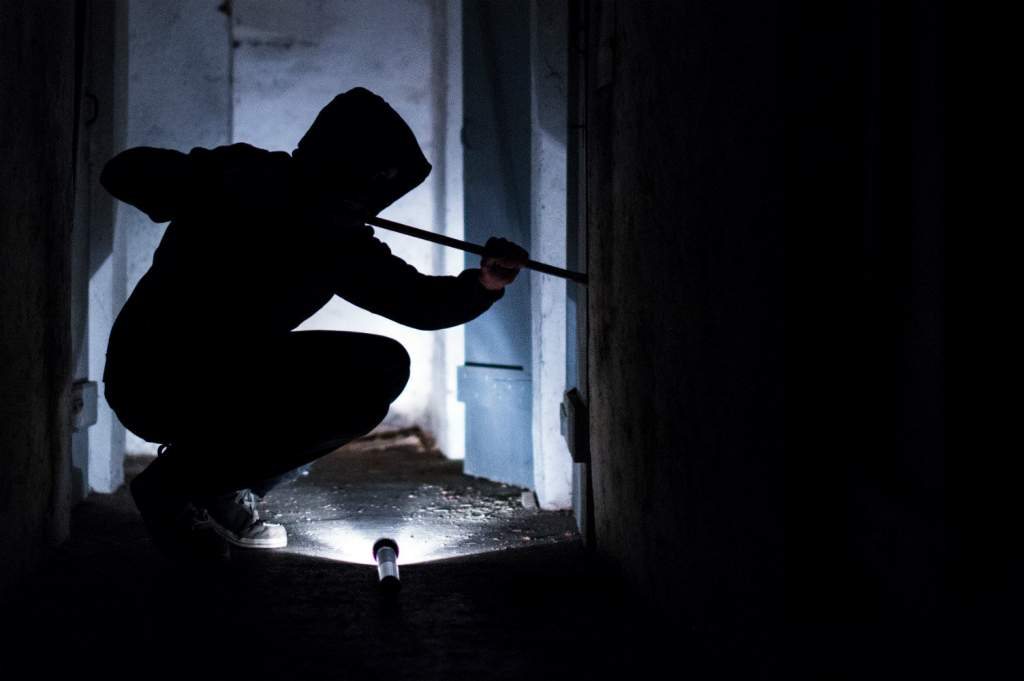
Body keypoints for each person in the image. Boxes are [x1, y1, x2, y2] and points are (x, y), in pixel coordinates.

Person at [100, 86, 527, 559]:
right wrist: (220, 180)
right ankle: (176, 485)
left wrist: (485, 283)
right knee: (336, 372)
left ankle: (213, 482)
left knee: (379, 367)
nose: (365, 207)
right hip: (150, 375)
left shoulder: (339, 241)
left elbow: (420, 302)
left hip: (233, 379)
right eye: (363, 190)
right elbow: (121, 173)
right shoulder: (243, 176)